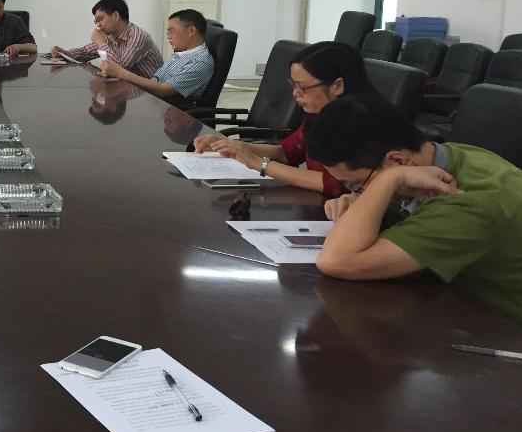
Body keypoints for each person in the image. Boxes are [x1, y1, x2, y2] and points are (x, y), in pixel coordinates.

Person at [305, 94, 522, 325]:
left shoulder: (463, 202)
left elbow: (335, 261)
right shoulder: (446, 155)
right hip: (456, 305)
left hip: (502, 333)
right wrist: (366, 200)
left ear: (399, 161)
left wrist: (389, 179)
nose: (358, 192)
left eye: (357, 184)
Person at [193, 41, 374, 195]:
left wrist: (260, 164)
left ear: (337, 86)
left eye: (303, 87)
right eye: (293, 85)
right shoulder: (319, 115)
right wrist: (233, 147)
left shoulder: (363, 122)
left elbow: (337, 184)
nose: (295, 93)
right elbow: (286, 153)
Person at [97, 8, 214, 100]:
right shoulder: (182, 53)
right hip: (151, 100)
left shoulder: (200, 62)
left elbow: (163, 90)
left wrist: (121, 73)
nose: (168, 36)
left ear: (191, 30)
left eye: (172, 31)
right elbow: (155, 80)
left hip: (171, 112)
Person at [51, 0, 162, 78]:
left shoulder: (138, 36)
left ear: (115, 16)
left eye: (100, 19)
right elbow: (86, 52)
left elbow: (119, 68)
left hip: (152, 94)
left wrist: (101, 43)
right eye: (96, 21)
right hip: (130, 87)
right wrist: (65, 53)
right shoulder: (110, 35)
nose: (98, 25)